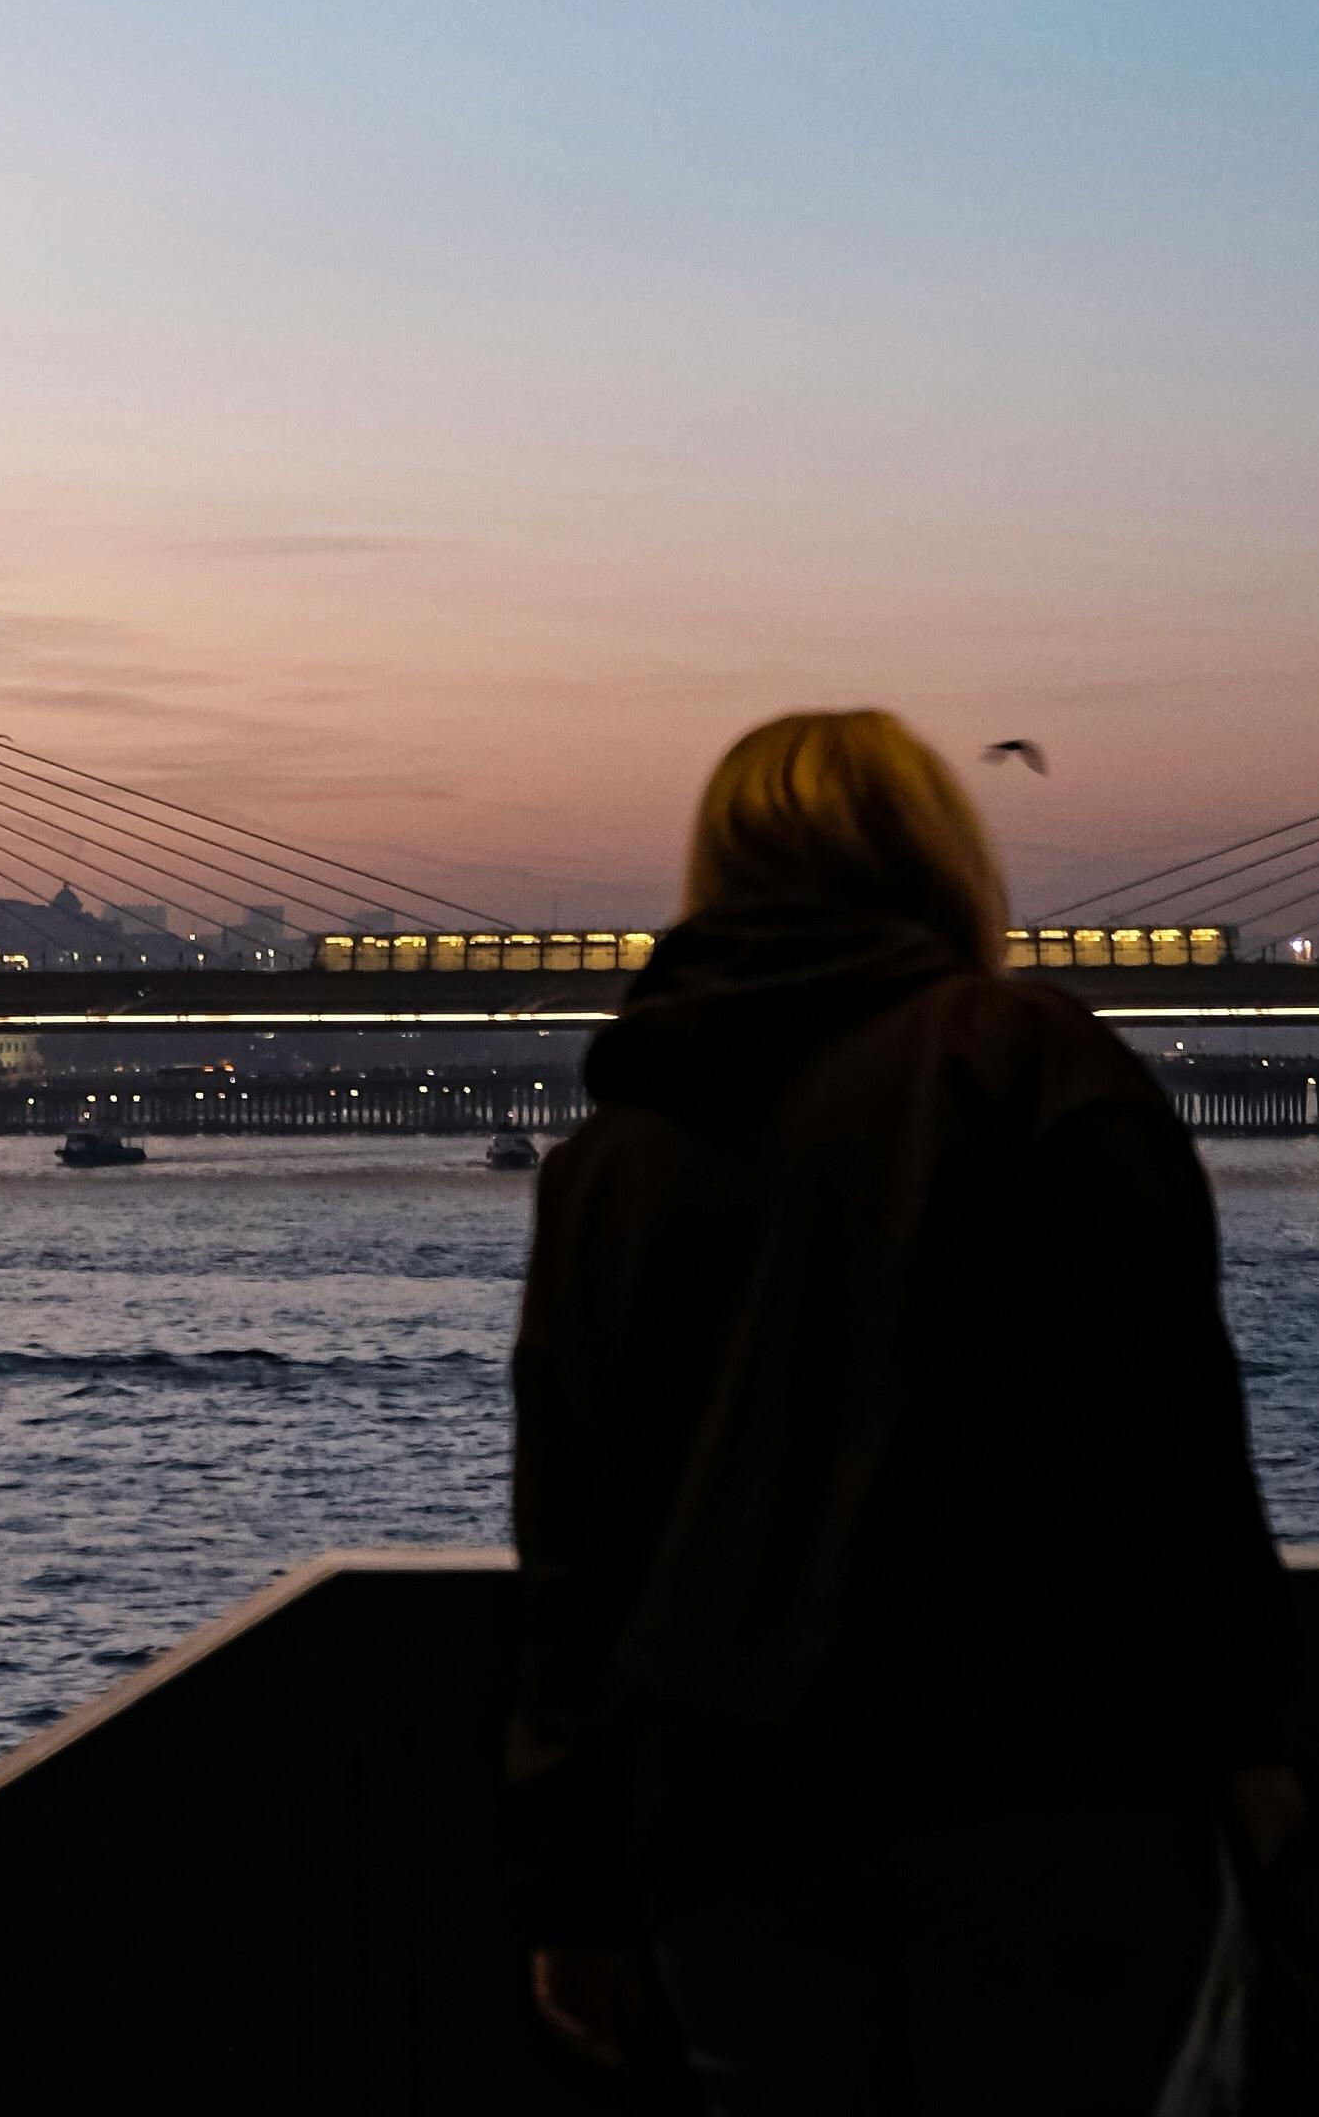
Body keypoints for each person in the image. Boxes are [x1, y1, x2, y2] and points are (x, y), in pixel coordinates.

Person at [508, 709, 1303, 2114]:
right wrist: (1254, 1751)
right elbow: (1167, 1452)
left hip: (728, 1826)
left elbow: (575, 1560)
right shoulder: (1035, 1065)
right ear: (938, 857)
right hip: (1052, 1793)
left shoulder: (608, 1159)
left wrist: (571, 1890)